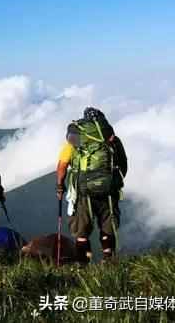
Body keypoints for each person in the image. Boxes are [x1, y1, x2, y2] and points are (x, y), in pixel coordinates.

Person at [56, 107, 128, 264]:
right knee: (107, 227)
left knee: (82, 231)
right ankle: (108, 261)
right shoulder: (112, 139)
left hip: (83, 192)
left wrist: (60, 187)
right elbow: (123, 164)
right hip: (109, 190)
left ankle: (83, 265)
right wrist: (114, 181)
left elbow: (62, 166)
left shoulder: (75, 140)